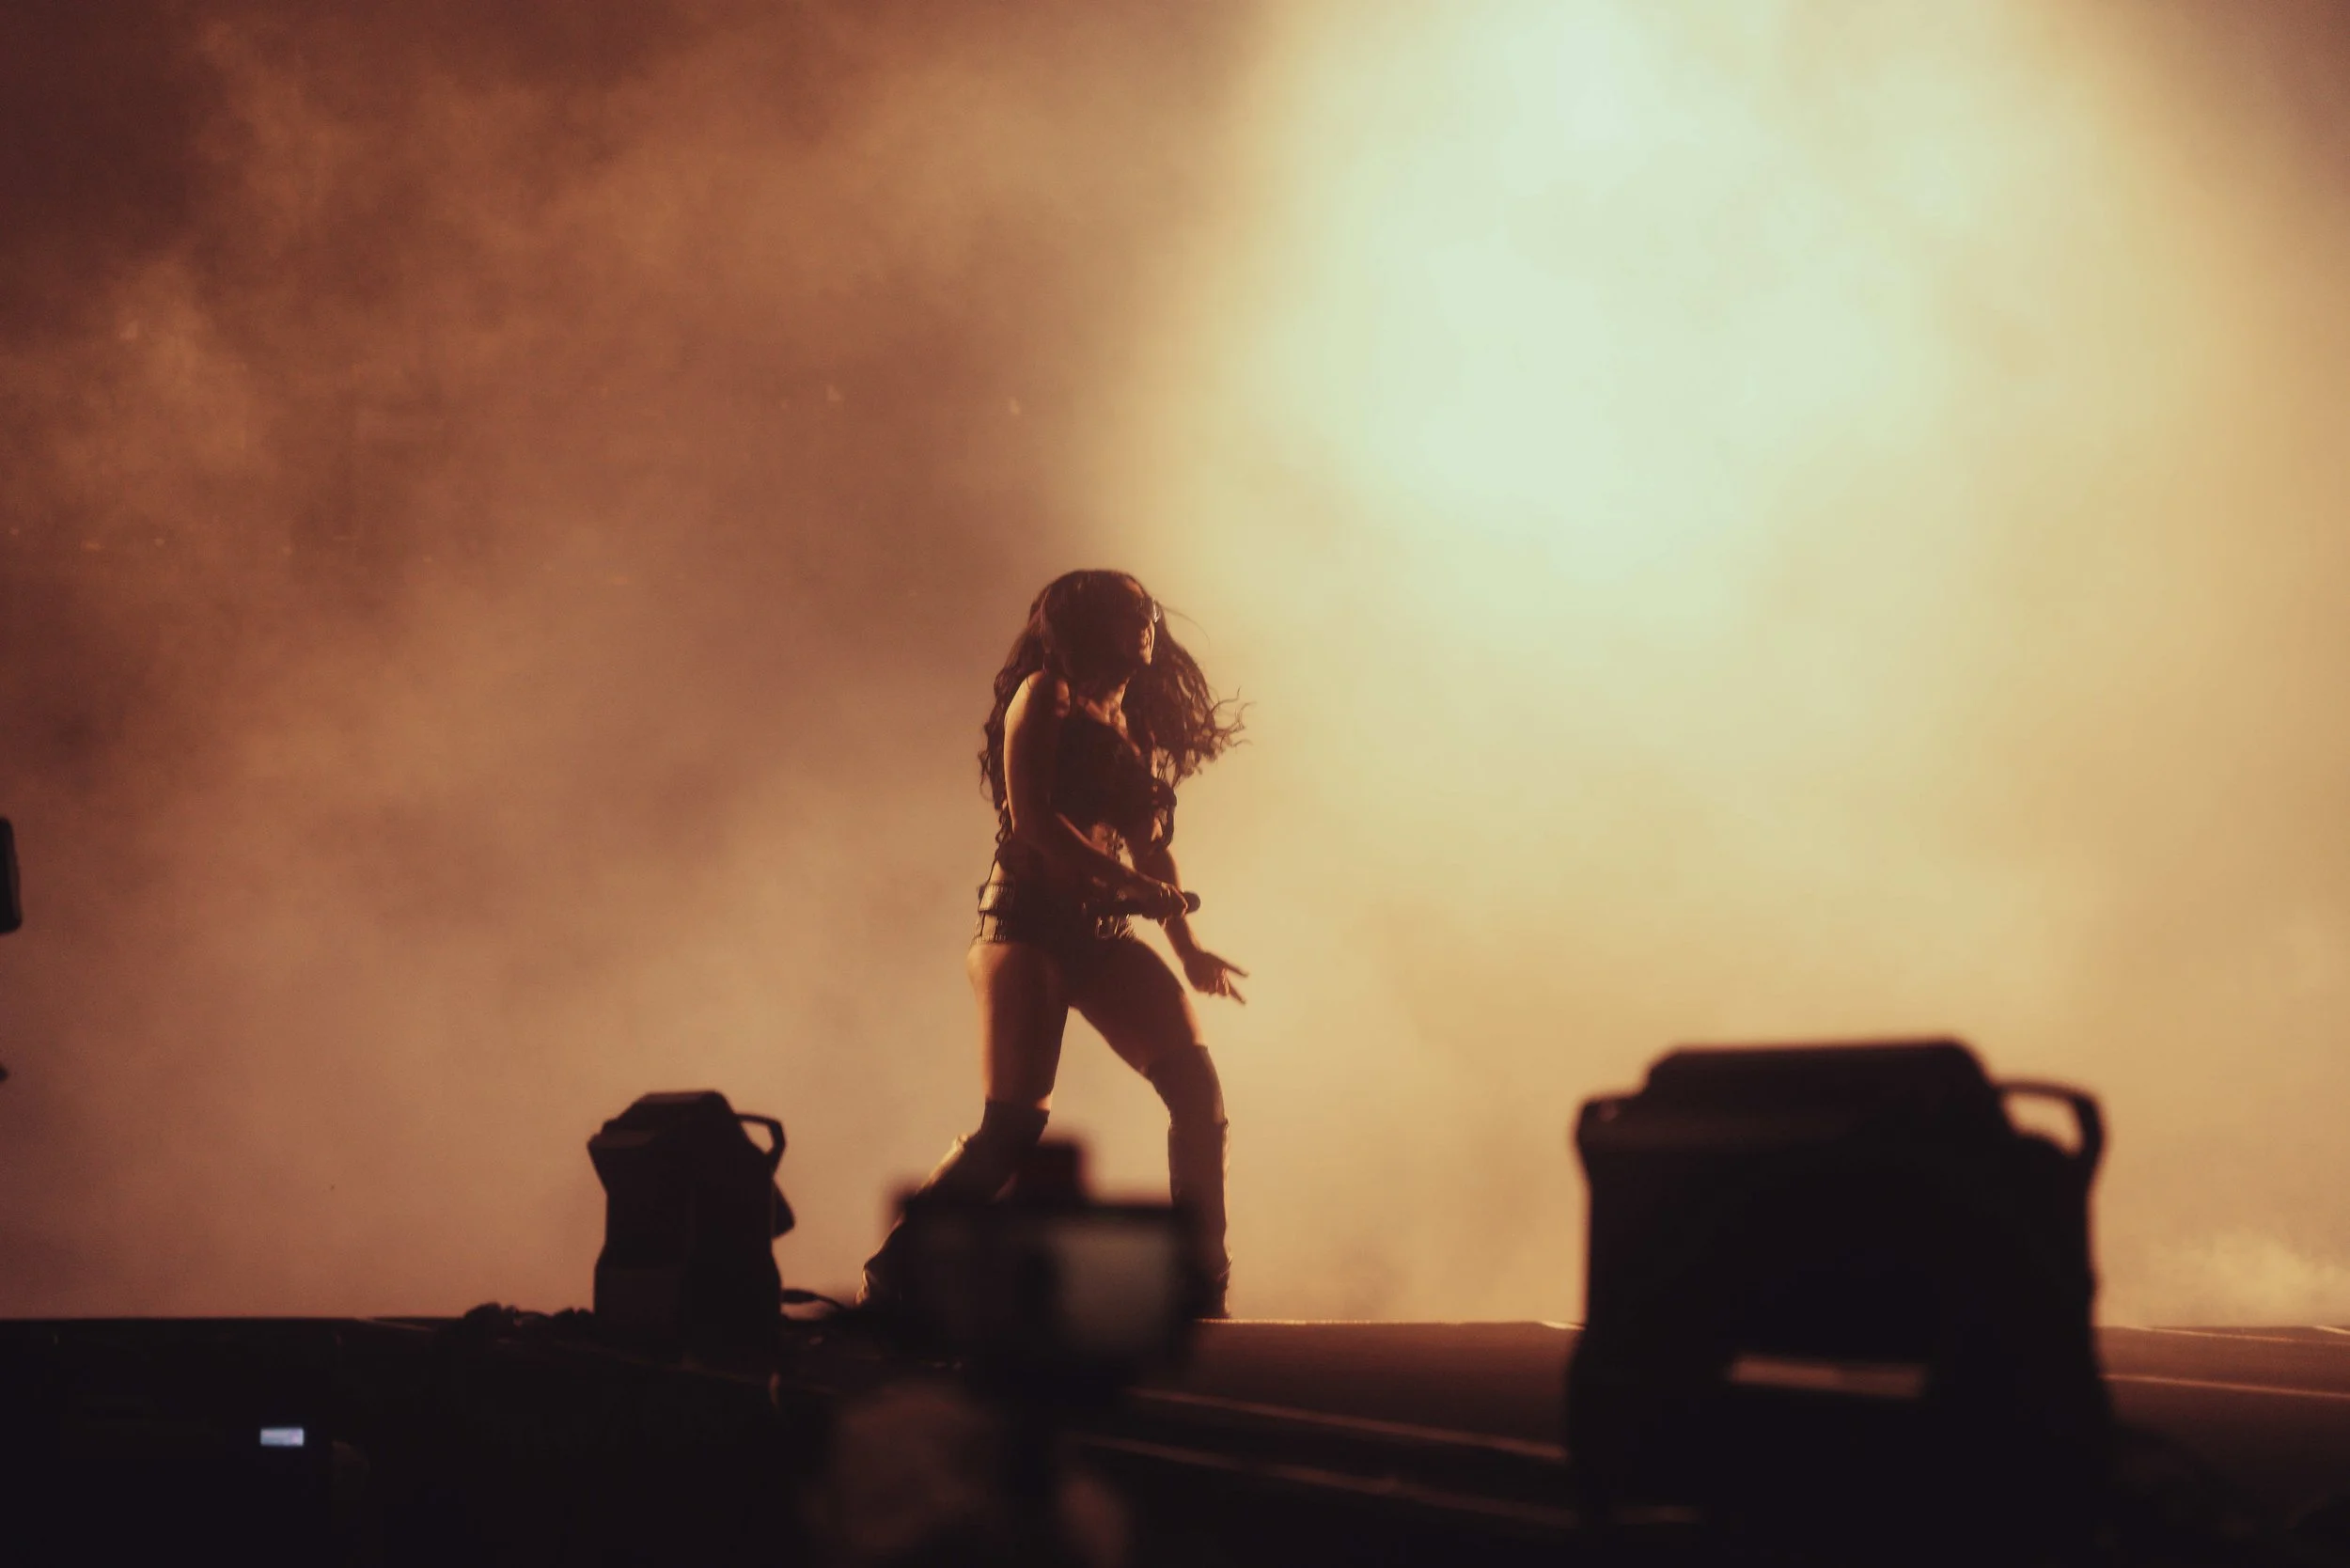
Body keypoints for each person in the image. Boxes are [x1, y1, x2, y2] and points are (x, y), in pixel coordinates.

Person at [864, 570, 1248, 1315]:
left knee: (1197, 1095)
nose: (1148, 625)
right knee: (1012, 1128)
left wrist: (1187, 945)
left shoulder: (1128, 722)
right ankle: (894, 1271)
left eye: (1150, 612)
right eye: (1133, 613)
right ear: (1094, 624)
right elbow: (1035, 820)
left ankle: (1199, 1281)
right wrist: (1135, 889)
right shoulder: (1044, 695)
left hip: (1097, 936)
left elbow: (1152, 854)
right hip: (1025, 925)